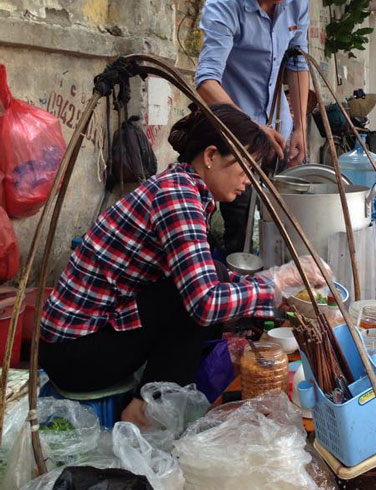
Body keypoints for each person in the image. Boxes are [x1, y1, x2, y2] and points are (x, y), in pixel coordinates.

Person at [40, 104, 325, 427]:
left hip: (92, 337)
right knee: (195, 301)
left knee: (211, 277)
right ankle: (146, 411)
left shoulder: (184, 189)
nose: (248, 180)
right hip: (75, 353)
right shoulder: (176, 196)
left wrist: (274, 295)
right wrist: (276, 281)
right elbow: (204, 302)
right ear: (211, 156)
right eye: (245, 167)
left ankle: (163, 397)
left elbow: (204, 275)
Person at [195, 0, 311, 255]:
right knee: (241, 228)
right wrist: (250, 127)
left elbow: (298, 63)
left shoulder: (297, 2)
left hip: (279, 135)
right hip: (236, 138)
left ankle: (274, 293)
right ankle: (236, 298)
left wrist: (301, 127)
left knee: (280, 224)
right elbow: (206, 80)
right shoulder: (224, 6)